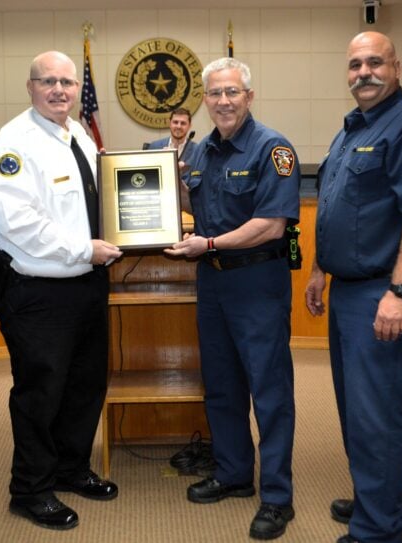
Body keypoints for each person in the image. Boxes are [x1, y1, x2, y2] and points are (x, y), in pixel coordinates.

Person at [305, 31, 402, 543]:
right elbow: (338, 207)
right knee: (359, 410)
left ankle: (376, 530)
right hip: (351, 290)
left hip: (387, 294)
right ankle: (388, 500)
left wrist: (401, 293)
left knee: (377, 415)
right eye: (354, 64)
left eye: (374, 62)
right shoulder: (353, 129)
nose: (363, 72)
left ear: (396, 68)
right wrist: (320, 270)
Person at [0, 50, 123, 531]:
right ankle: (31, 489)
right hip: (36, 292)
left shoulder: (77, 132)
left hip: (85, 283)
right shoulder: (14, 143)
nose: (60, 90)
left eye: (67, 81)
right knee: (41, 391)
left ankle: (70, 468)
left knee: (85, 384)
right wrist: (85, 249)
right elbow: (19, 223)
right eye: (49, 82)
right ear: (31, 86)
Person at [165, 57, 300, 540]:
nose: (223, 101)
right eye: (215, 93)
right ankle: (234, 474)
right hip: (213, 284)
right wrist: (172, 186)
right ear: (205, 99)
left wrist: (212, 244)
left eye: (232, 92)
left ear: (249, 95)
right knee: (220, 386)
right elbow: (192, 205)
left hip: (257, 283)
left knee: (269, 391)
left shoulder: (272, 148)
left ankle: (278, 497)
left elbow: (272, 223)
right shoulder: (199, 153)